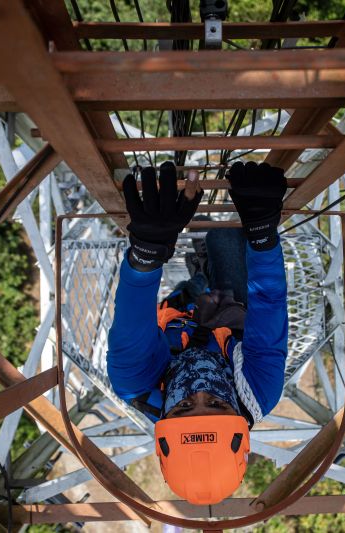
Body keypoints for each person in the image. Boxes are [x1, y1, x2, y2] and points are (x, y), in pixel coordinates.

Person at [106, 160, 289, 504]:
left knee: (193, 287)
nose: (201, 389)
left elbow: (133, 313)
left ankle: (198, 275)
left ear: (163, 420)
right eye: (218, 403)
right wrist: (262, 231)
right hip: (229, 319)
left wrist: (148, 250)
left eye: (184, 405)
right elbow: (268, 299)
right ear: (240, 418)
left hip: (176, 320)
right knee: (224, 236)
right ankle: (204, 270)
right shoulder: (259, 391)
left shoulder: (135, 382)